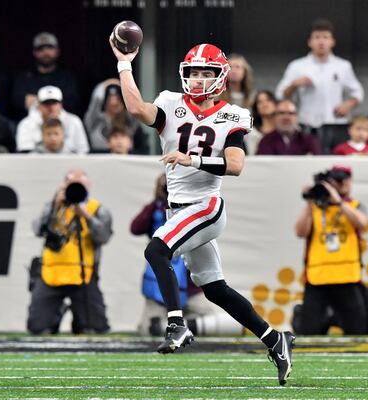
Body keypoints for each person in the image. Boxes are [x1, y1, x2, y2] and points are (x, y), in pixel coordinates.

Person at [110, 38, 294, 385]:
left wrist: (192, 159)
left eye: (204, 72)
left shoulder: (233, 115)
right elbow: (137, 109)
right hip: (178, 209)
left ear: (220, 77)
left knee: (156, 249)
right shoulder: (170, 102)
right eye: (192, 72)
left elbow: (236, 165)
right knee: (214, 288)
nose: (196, 79)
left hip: (206, 205)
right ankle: (274, 339)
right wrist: (124, 64)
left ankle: (177, 324)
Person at [131, 174, 243, 336]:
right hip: (159, 289)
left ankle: (187, 327)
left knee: (211, 321)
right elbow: (135, 228)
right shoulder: (155, 209)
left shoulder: (197, 208)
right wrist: (156, 202)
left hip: (192, 286)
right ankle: (177, 327)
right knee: (148, 329)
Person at [28, 168, 111, 334]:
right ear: (63, 186)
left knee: (95, 328)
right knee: (38, 328)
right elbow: (37, 230)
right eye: (71, 184)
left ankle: (80, 319)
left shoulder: (97, 209)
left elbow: (103, 237)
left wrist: (85, 215)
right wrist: (54, 205)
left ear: (88, 186)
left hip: (83, 273)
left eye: (80, 185)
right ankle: (55, 316)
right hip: (51, 272)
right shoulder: (53, 206)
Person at [294, 166, 368, 334]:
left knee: (357, 330)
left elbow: (363, 223)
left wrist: (339, 202)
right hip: (317, 277)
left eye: (345, 180)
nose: (342, 184)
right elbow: (300, 232)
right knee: (308, 331)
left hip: (347, 276)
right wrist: (309, 202)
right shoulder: (314, 209)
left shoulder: (354, 205)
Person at [276, 18, 364, 154]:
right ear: (310, 42)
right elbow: (280, 94)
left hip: (335, 123)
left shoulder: (343, 66)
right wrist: (294, 85)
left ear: (332, 41)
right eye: (317, 37)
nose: (321, 41)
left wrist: (349, 104)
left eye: (325, 37)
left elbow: (358, 92)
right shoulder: (297, 66)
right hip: (307, 125)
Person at [13, 32, 80, 116]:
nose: (45, 52)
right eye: (40, 49)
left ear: (57, 50)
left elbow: (71, 103)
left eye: (50, 48)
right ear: (34, 52)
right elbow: (18, 101)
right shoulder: (24, 77)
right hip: (32, 124)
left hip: (61, 124)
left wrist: (36, 102)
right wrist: (55, 102)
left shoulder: (67, 77)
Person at [16, 86, 89, 154]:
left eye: (54, 102)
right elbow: (24, 153)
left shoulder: (74, 121)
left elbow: (83, 151)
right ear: (39, 105)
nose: (51, 107)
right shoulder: (26, 124)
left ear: (61, 104)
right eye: (46, 103)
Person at [83, 80, 148, 153]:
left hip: (126, 160)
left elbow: (136, 106)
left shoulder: (129, 120)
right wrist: (107, 83)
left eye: (118, 100)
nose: (113, 103)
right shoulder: (95, 120)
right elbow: (96, 100)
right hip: (98, 160)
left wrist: (123, 86)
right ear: (104, 103)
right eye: (109, 100)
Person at [256, 99, 321, 155]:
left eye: (291, 113)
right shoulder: (266, 141)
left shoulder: (309, 140)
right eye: (282, 113)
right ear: (275, 116)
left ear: (296, 117)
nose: (286, 117)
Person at [247, 90, 277, 155]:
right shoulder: (252, 133)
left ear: (276, 104)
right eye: (260, 102)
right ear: (256, 108)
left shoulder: (284, 130)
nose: (265, 104)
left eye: (268, 100)